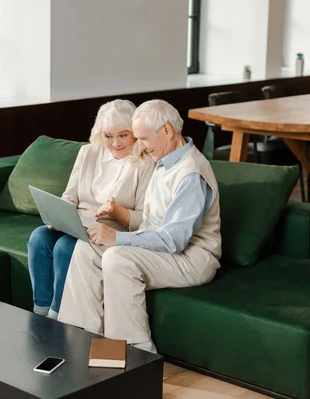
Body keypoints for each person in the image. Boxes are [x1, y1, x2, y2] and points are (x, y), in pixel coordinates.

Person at [58, 99, 222, 354]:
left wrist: (117, 238)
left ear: (167, 131)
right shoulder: (166, 159)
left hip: (192, 257)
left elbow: (173, 240)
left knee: (118, 259)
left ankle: (133, 352)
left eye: (143, 139)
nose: (141, 147)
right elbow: (150, 220)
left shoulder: (191, 173)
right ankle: (77, 341)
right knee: (86, 248)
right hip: (164, 249)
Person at [27, 99, 155, 320]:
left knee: (66, 247)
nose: (115, 143)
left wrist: (116, 212)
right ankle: (40, 313)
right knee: (39, 237)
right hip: (77, 223)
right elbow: (70, 194)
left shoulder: (145, 163)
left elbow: (144, 218)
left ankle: (58, 317)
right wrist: (58, 213)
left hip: (111, 232)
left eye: (123, 135)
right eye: (108, 136)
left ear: (134, 133)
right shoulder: (88, 153)